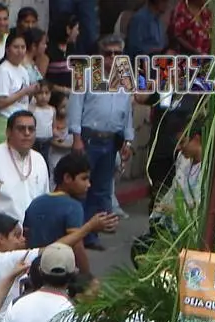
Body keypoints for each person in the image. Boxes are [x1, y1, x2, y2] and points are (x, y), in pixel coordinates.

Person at [67, 37, 134, 248]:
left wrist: (129, 141)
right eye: (108, 54)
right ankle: (75, 235)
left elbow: (128, 112)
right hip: (88, 138)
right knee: (81, 189)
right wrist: (76, 137)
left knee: (102, 190)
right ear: (99, 55)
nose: (112, 58)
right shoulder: (86, 75)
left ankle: (91, 236)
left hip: (111, 140)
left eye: (117, 54)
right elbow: (75, 106)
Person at [23, 153, 116, 272]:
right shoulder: (73, 207)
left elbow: (26, 238)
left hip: (32, 269)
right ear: (67, 178)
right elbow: (77, 246)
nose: (88, 184)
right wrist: (87, 278)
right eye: (84, 178)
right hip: (58, 272)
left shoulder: (35, 203)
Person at [0, 111, 49, 226]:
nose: (27, 133)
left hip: (31, 233)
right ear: (8, 132)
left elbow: (44, 200)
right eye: (21, 129)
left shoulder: (39, 159)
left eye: (31, 129)